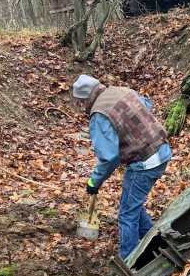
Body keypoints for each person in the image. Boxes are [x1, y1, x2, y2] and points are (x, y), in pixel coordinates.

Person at [71, 75, 172, 259]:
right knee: (133, 204)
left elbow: (109, 158)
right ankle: (156, 243)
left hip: (145, 162)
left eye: (79, 103)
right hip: (162, 150)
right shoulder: (122, 90)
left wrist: (94, 181)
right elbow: (146, 105)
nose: (80, 108)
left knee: (127, 215)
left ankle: (130, 263)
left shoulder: (99, 115)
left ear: (84, 100)